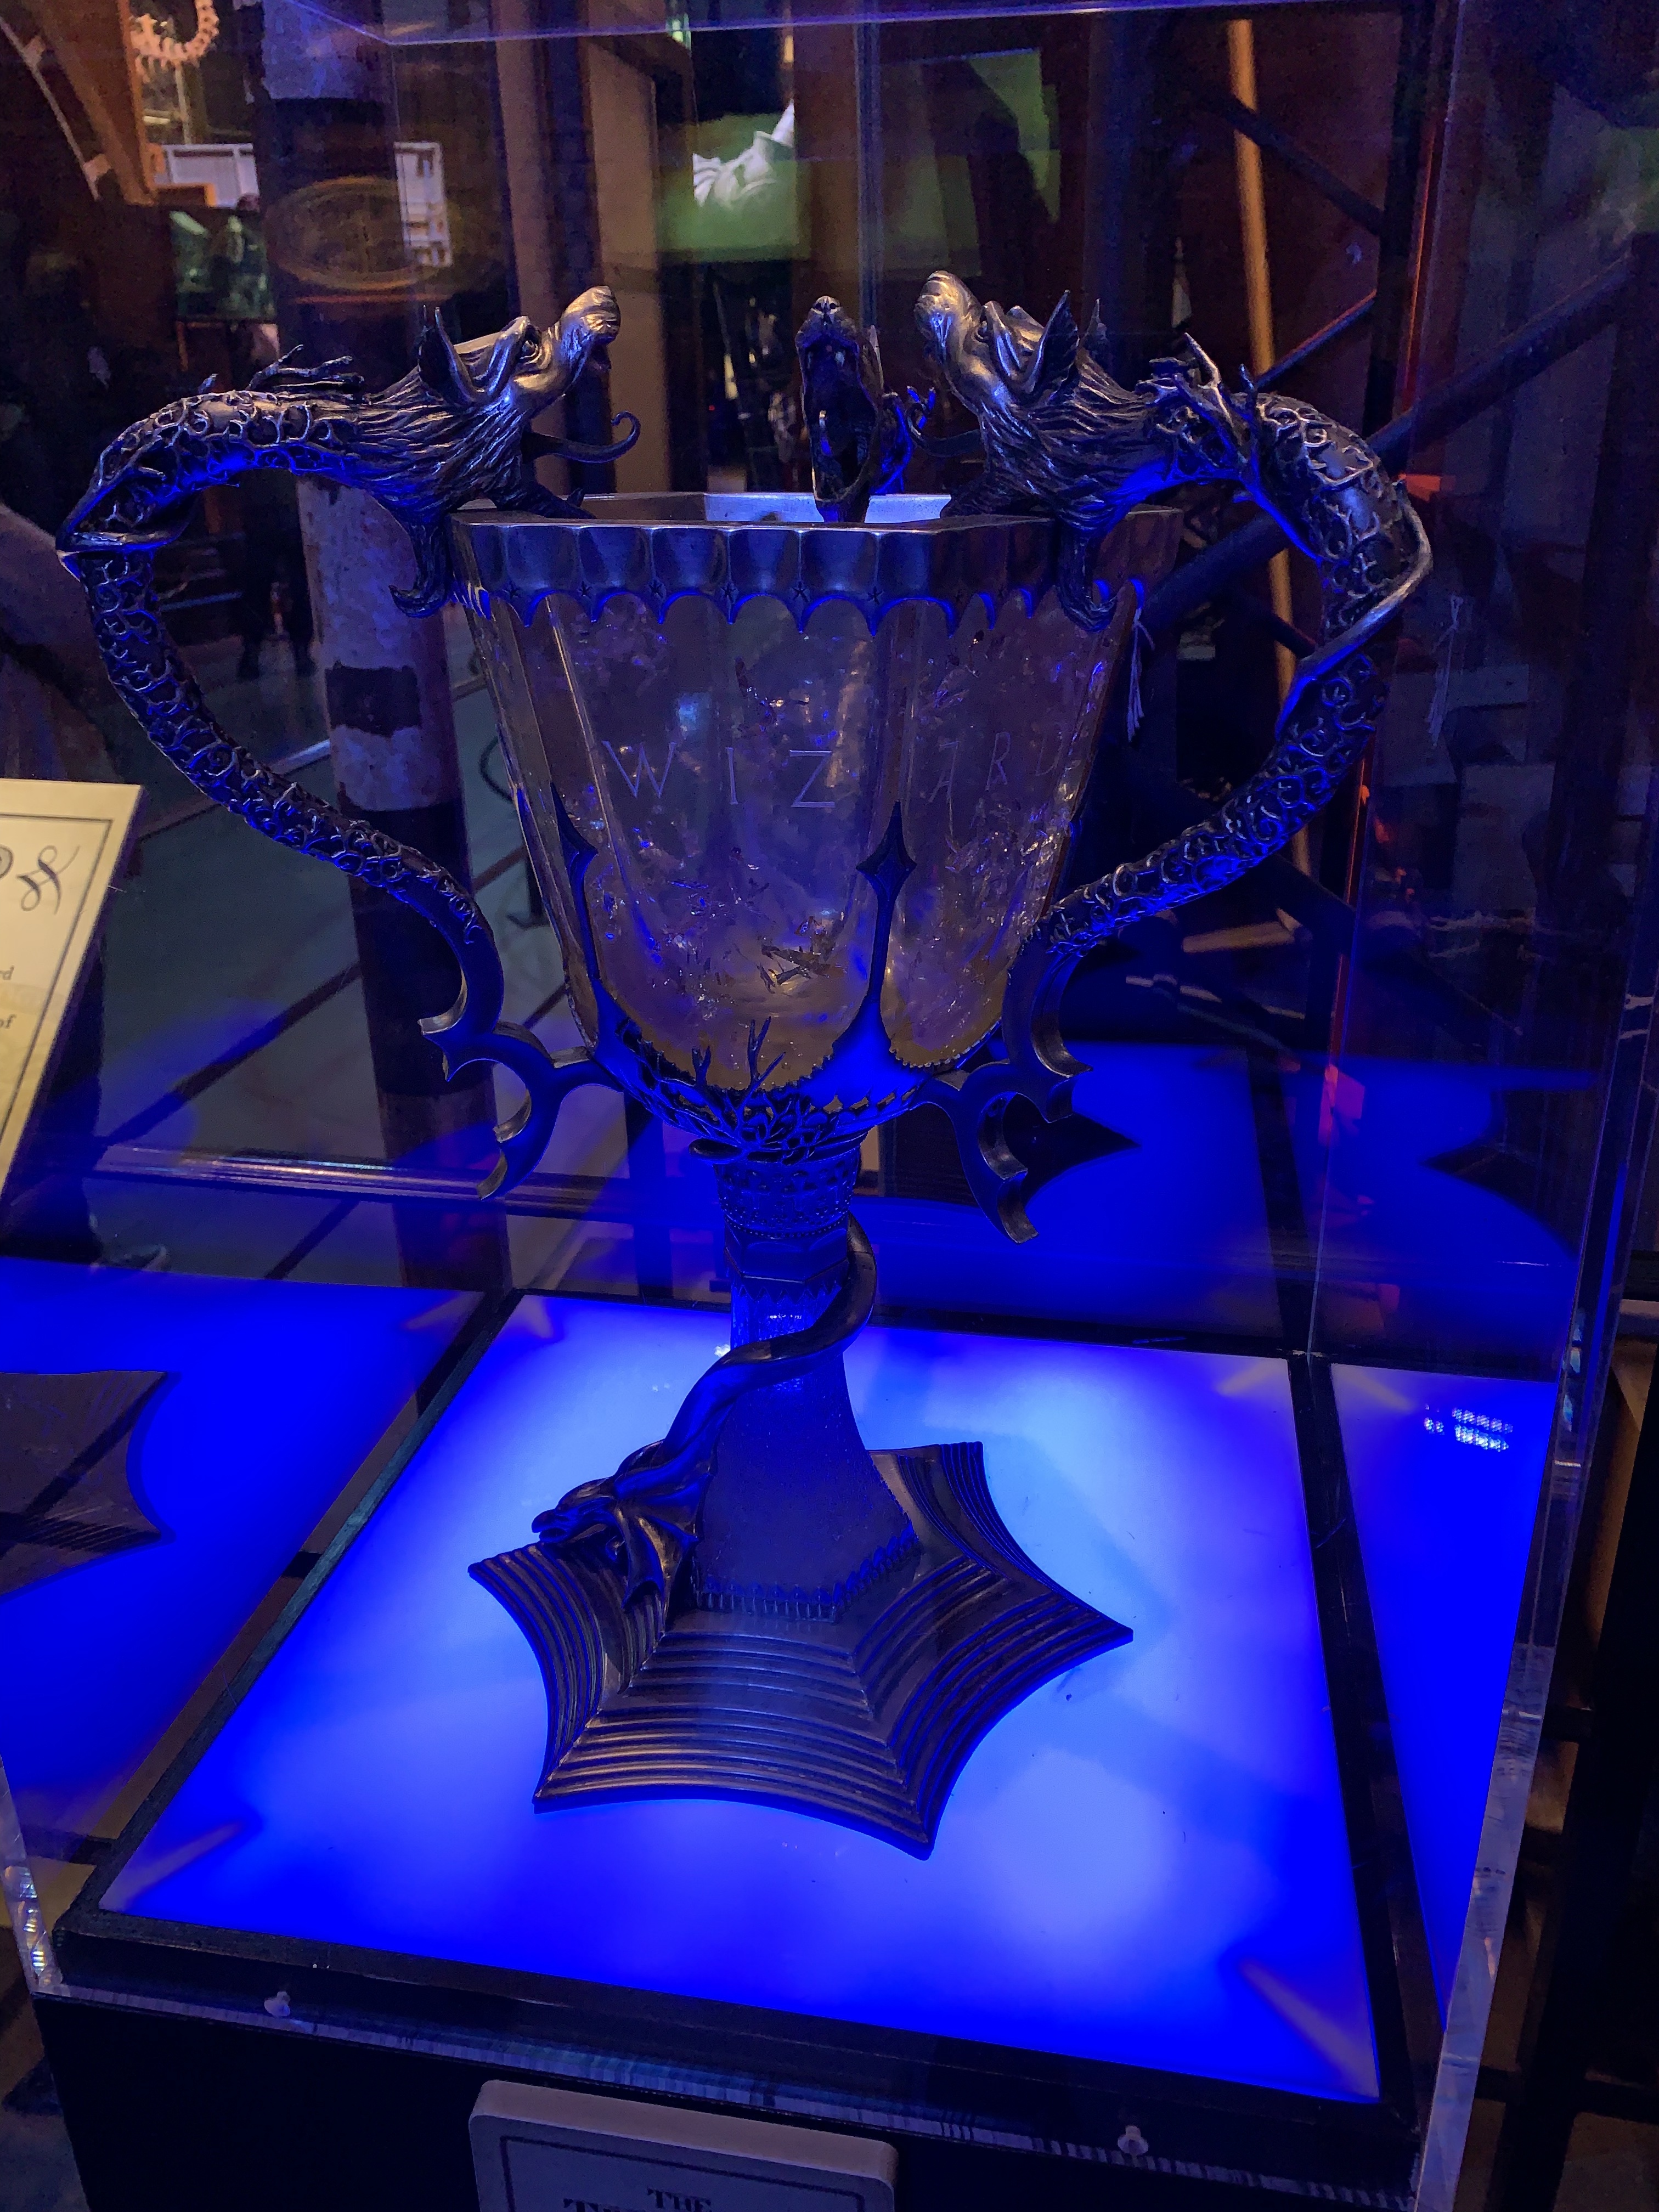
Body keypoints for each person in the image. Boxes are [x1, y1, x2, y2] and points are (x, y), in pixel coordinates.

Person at [235, 464, 315, 680]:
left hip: (262, 511)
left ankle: (253, 654)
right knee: (298, 587)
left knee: (258, 588)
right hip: (287, 507)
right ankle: (300, 653)